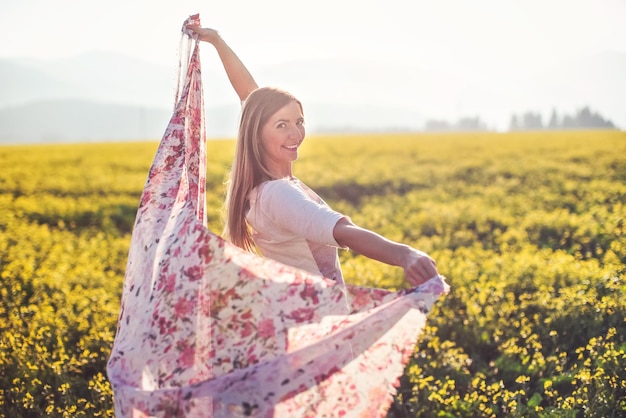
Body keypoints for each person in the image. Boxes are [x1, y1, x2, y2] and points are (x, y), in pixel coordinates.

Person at [186, 25, 439, 287]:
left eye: (299, 121)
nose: (295, 133)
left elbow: (251, 98)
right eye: (282, 125)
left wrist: (217, 41)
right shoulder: (277, 195)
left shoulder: (268, 188)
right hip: (317, 314)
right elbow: (343, 232)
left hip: (299, 308)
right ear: (256, 132)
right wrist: (405, 254)